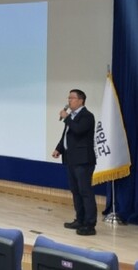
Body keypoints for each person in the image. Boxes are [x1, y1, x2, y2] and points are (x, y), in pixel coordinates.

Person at [52, 89, 97, 236]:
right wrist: (59, 148)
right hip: (71, 159)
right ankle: (80, 219)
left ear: (81, 100)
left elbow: (78, 130)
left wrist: (66, 118)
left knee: (85, 192)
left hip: (83, 160)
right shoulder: (71, 116)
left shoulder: (87, 116)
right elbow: (66, 135)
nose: (69, 100)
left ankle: (90, 225)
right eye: (69, 97)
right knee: (76, 191)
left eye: (72, 98)